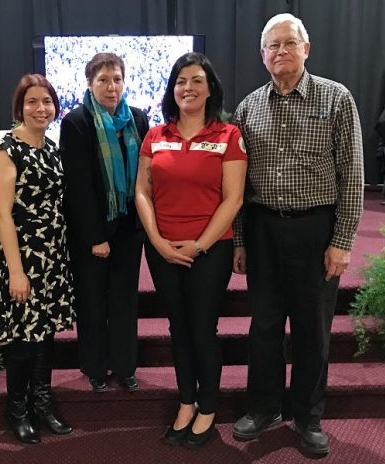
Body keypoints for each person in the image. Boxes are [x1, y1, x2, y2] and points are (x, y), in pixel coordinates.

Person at [231, 13, 364, 456]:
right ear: (262, 54)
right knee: (264, 325)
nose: (281, 51)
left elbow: (353, 175)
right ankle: (264, 406)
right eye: (273, 45)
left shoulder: (336, 99)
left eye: (289, 43)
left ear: (306, 49)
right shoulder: (248, 108)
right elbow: (239, 187)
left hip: (316, 230)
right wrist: (241, 241)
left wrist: (342, 242)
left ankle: (308, 416)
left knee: (312, 330)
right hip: (265, 229)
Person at [136, 52, 247, 449]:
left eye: (197, 80)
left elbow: (233, 199)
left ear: (210, 88)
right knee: (177, 329)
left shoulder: (228, 136)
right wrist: (158, 241)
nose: (188, 88)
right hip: (163, 250)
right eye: (181, 81)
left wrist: (199, 244)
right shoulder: (155, 134)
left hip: (210, 250)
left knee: (202, 328)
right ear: (172, 89)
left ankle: (208, 407)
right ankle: (186, 401)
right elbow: (141, 192)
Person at [0, 74, 75, 444]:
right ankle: (17, 407)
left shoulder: (52, 149)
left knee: (45, 336)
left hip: (54, 257)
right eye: (32, 103)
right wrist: (16, 271)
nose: (41, 109)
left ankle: (42, 401)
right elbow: (2, 215)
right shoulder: (7, 151)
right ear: (19, 108)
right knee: (23, 339)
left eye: (47, 102)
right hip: (23, 259)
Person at [59, 53, 149, 393]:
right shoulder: (77, 122)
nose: (111, 87)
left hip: (128, 229)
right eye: (103, 80)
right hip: (91, 231)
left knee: (125, 301)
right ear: (89, 83)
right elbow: (78, 187)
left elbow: (143, 177)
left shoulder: (138, 119)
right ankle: (95, 367)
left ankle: (125, 366)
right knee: (93, 301)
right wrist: (96, 236)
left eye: (117, 79)